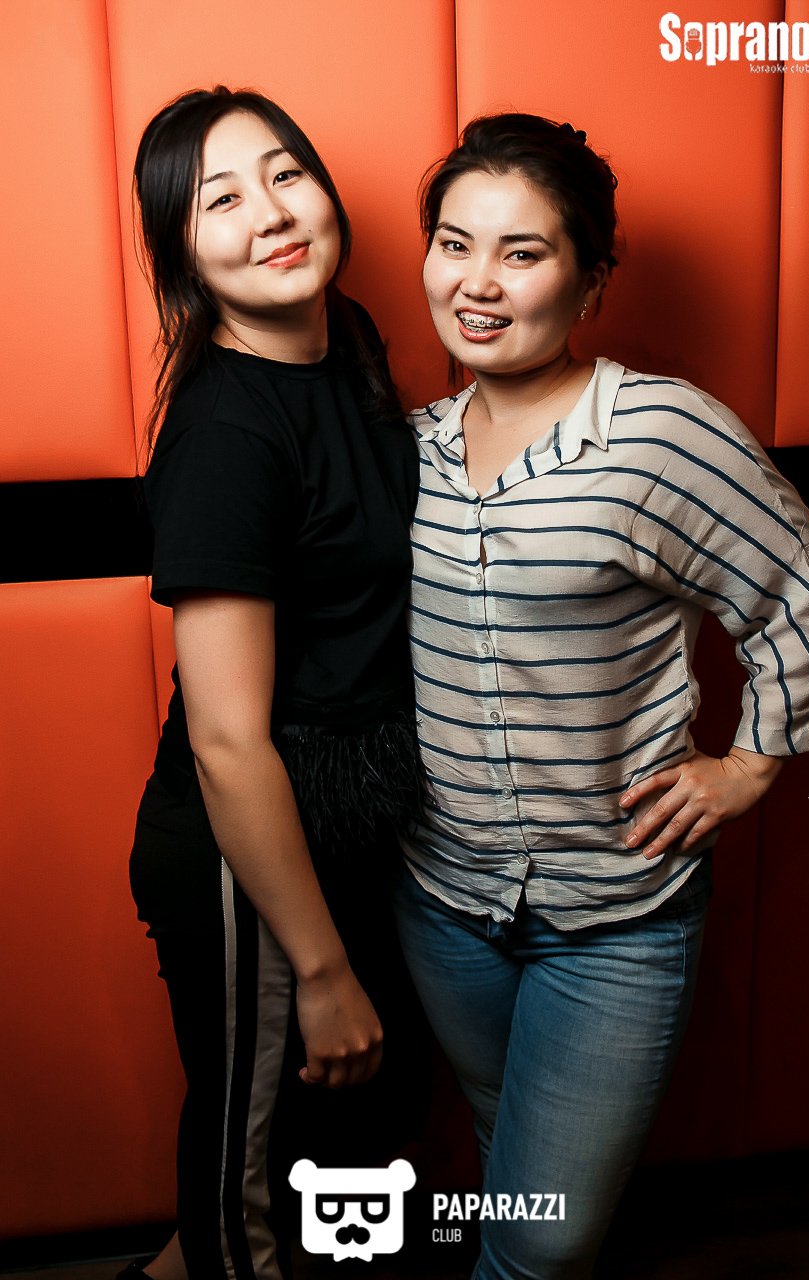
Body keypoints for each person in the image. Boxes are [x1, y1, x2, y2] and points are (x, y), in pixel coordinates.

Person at [393, 113, 809, 1280]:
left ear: (590, 280)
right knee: (510, 1155)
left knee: (541, 1243)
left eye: (522, 251)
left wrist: (748, 761)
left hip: (616, 920)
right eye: (454, 243)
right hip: (442, 906)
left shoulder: (654, 430)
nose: (476, 282)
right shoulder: (407, 447)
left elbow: (799, 586)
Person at [126, 87, 424, 1280]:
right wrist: (322, 967)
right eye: (222, 199)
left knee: (309, 1158)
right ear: (182, 251)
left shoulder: (347, 338)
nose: (273, 213)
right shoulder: (228, 434)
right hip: (243, 852)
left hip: (342, 817)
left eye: (286, 173)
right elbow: (227, 742)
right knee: (244, 1203)